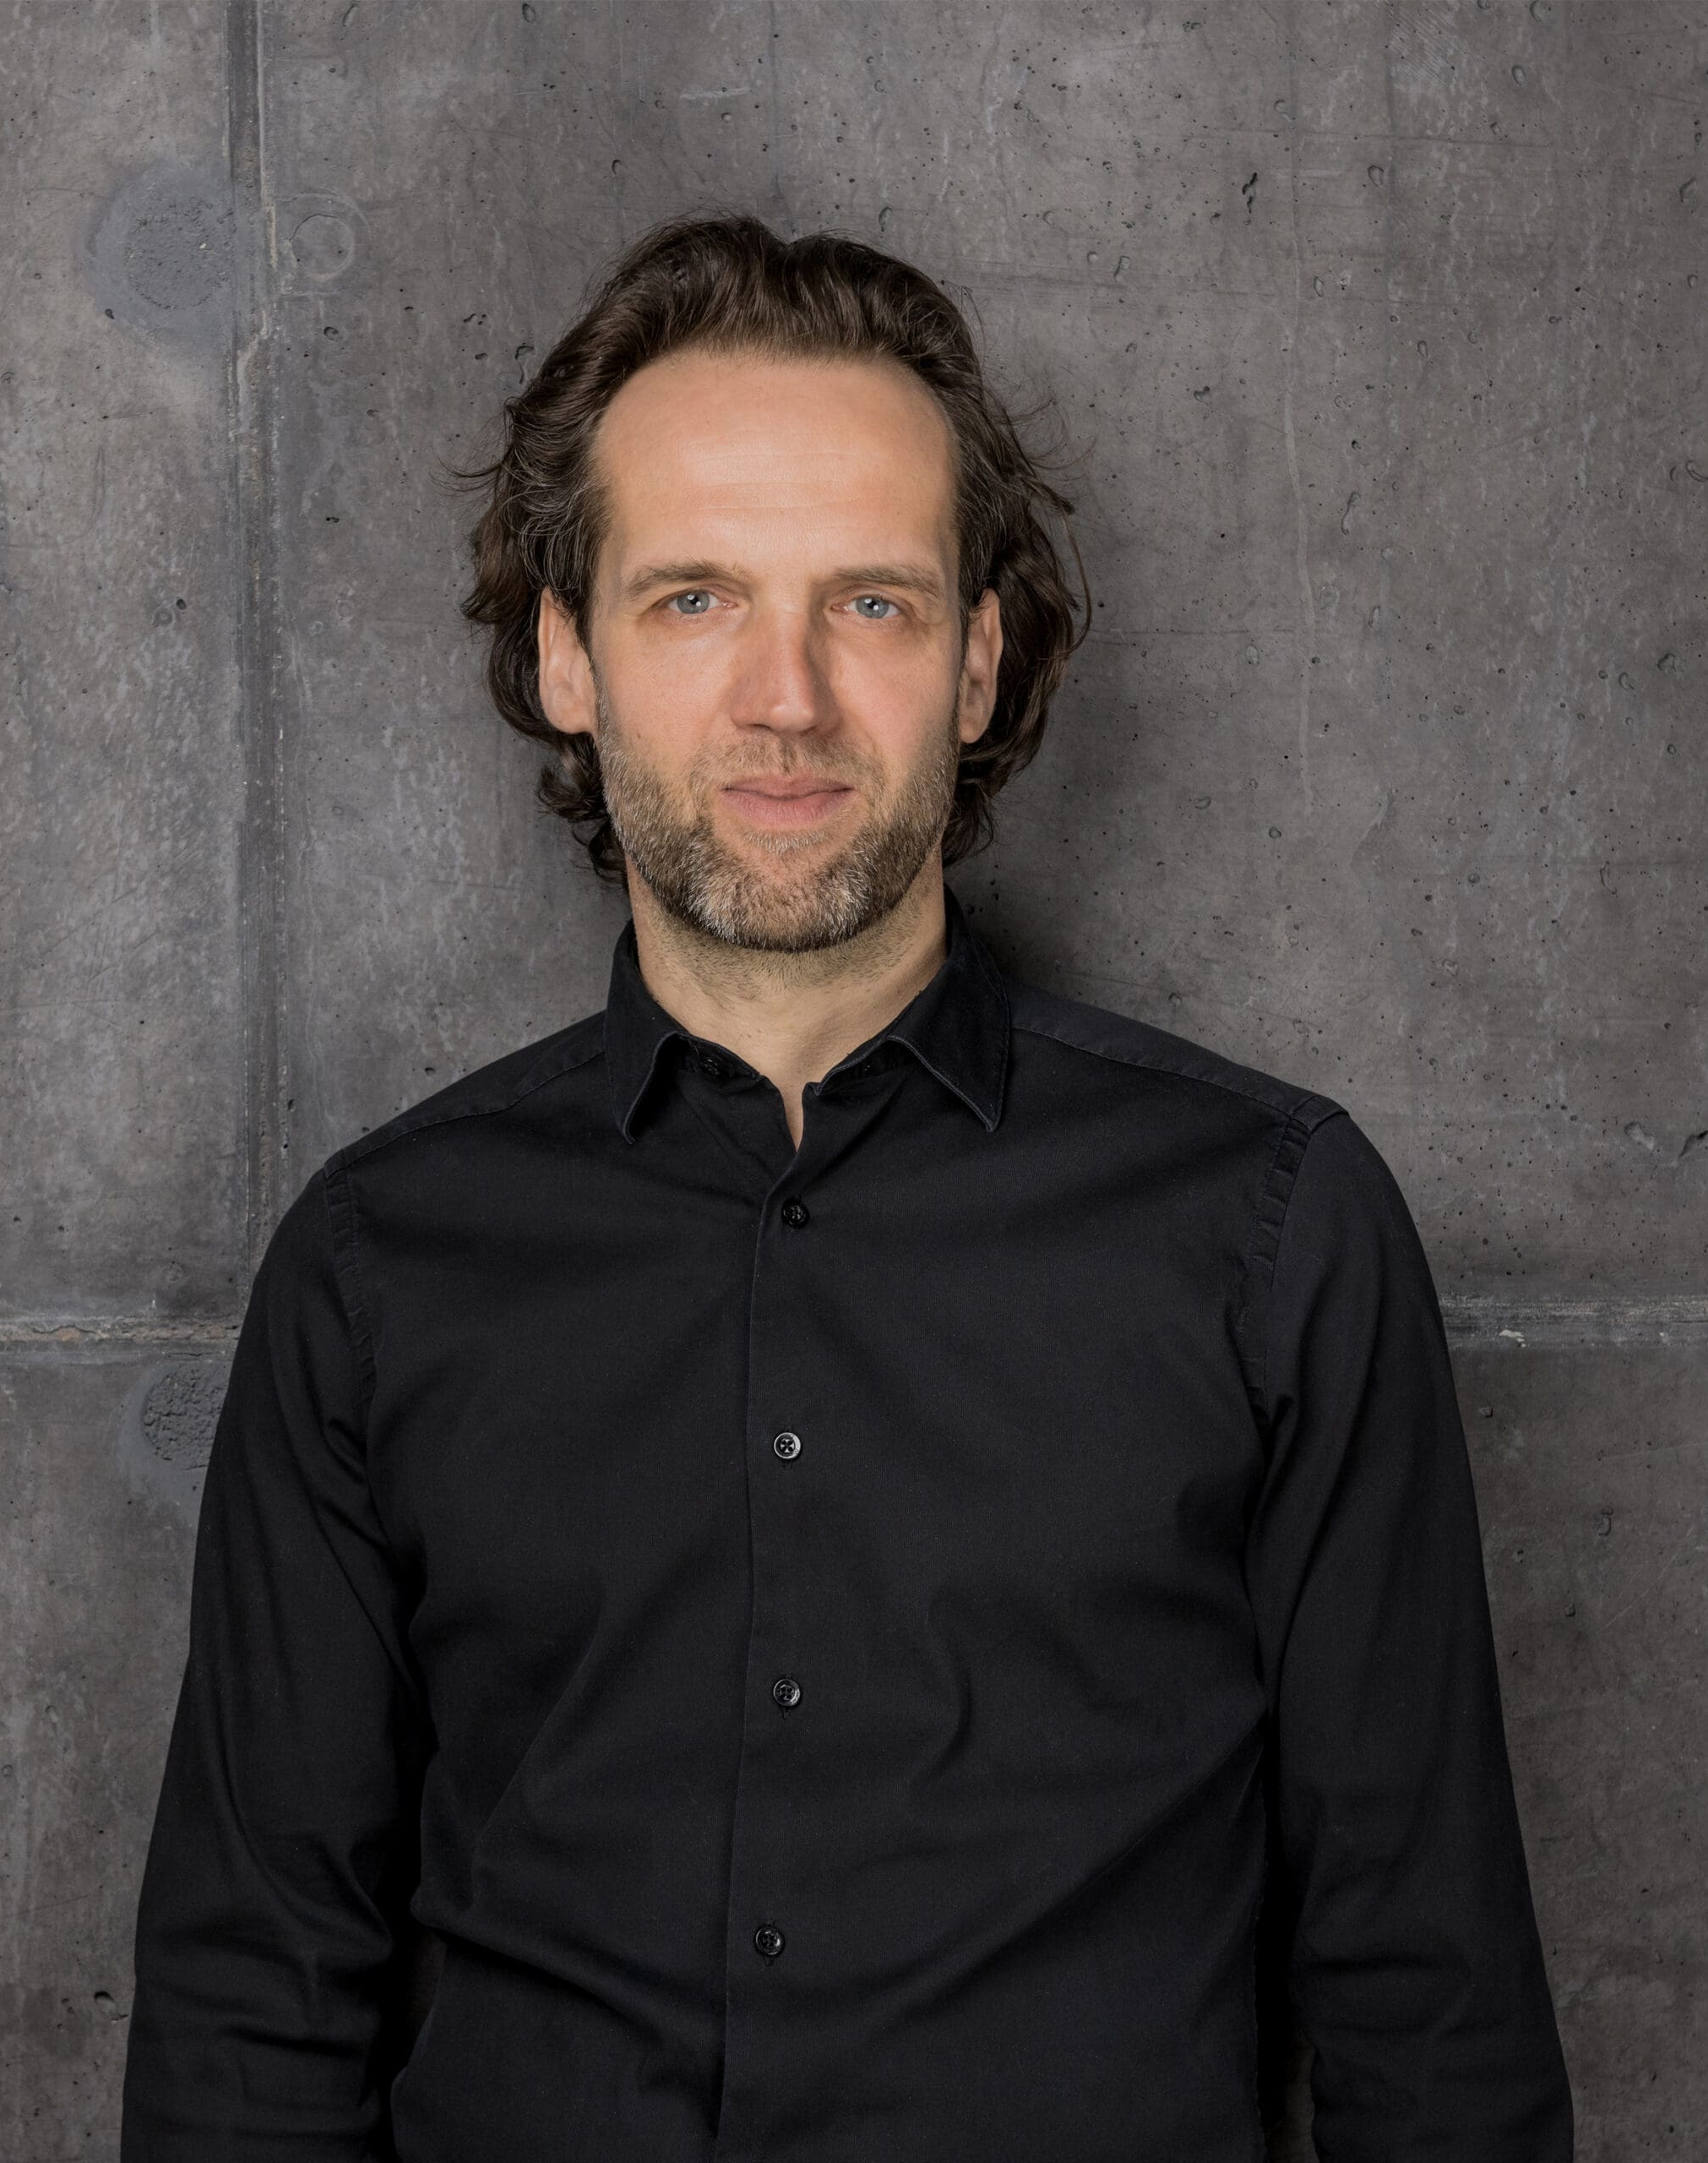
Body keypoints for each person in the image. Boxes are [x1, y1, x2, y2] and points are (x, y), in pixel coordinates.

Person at [121, 212, 1574, 2160]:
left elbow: (1431, 2016)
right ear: (565, 652)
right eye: (693, 598)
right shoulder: (375, 1269)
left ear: (976, 657)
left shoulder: (1270, 1232)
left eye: (870, 602)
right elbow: (248, 2027)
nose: (787, 696)